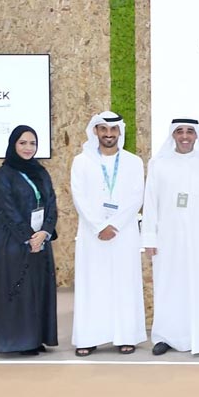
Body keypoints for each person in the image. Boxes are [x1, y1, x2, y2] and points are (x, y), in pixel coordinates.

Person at [142, 118, 199, 355]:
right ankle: (165, 337)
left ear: (196, 135)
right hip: (167, 239)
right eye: (179, 131)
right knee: (168, 286)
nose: (185, 136)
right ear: (173, 135)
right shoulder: (159, 164)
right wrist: (149, 238)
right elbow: (150, 202)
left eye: (190, 131)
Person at [70, 111, 146, 357]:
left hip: (124, 233)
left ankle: (126, 336)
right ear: (95, 131)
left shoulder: (134, 162)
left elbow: (136, 196)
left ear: (119, 132)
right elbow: (79, 197)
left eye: (113, 129)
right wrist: (99, 226)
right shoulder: (81, 161)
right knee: (93, 285)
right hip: (92, 234)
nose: (109, 134)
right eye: (103, 129)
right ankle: (88, 337)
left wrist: (115, 225)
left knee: (124, 284)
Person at [0, 125, 58, 355]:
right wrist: (29, 238)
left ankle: (37, 337)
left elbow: (51, 204)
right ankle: (19, 341)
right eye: (23, 143)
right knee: (19, 290)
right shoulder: (2, 176)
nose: (28, 148)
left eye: (32, 143)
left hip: (40, 240)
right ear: (13, 144)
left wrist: (44, 232)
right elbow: (9, 211)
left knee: (38, 288)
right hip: (12, 243)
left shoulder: (41, 172)